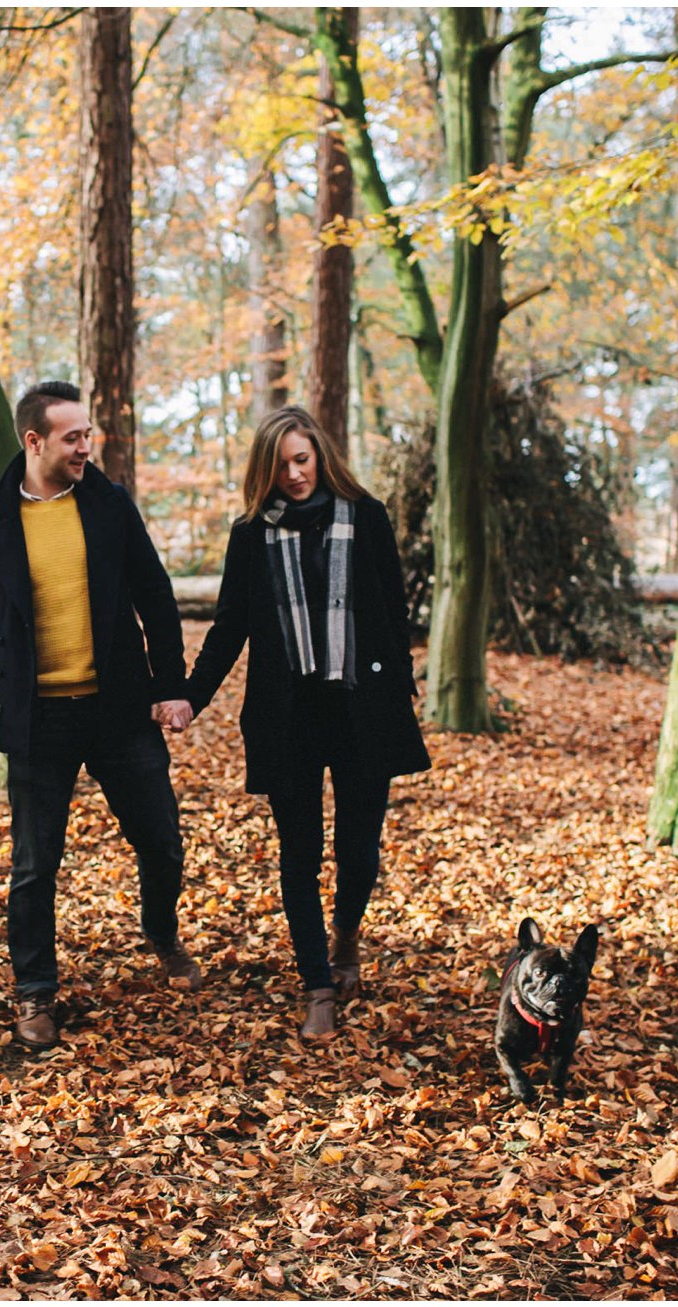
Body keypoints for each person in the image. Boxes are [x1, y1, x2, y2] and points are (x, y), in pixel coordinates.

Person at [0, 381, 204, 1050]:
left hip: (118, 709)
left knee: (162, 841)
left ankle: (160, 930)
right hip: (39, 720)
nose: (85, 446)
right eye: (72, 437)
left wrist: (172, 684)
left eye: (87, 434)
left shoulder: (109, 506)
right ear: (34, 442)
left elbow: (156, 594)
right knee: (36, 865)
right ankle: (35, 992)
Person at [177, 405, 430, 1038]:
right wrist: (190, 696)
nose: (294, 474)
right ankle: (317, 981)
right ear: (264, 469)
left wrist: (401, 696)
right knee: (299, 854)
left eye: (302, 459)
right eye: (281, 464)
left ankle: (346, 934)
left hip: (361, 709)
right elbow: (230, 625)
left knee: (358, 850)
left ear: (320, 455)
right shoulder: (251, 534)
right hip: (287, 714)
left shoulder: (366, 518)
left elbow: (394, 616)